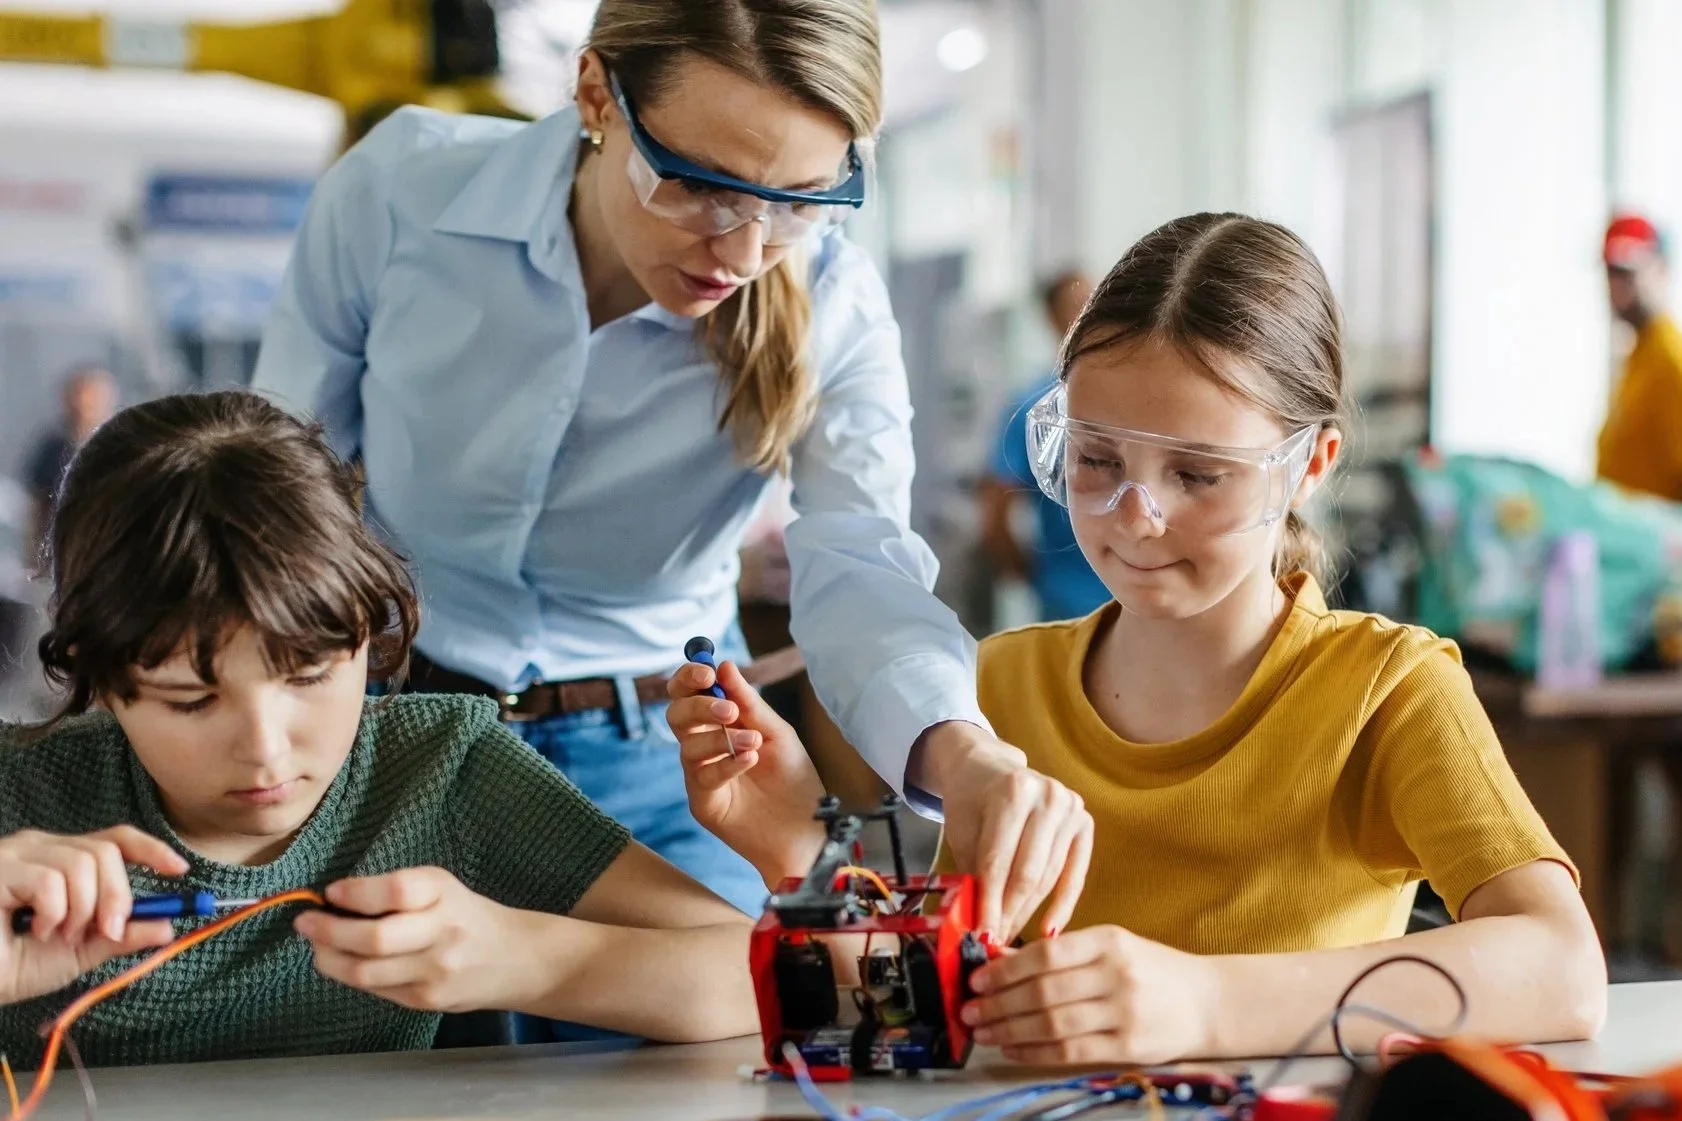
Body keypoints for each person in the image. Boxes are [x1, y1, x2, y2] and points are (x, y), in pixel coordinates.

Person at [251, 0, 1088, 961]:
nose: (741, 253)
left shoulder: (833, 301)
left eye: (800, 201)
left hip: (678, 765)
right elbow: (282, 486)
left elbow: (858, 563)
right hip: (393, 741)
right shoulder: (402, 193)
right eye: (699, 187)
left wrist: (964, 752)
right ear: (596, 94)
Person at [666, 213, 1607, 1065]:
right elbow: (951, 997)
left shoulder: (1385, 688)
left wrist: (1200, 1004)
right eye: (1097, 460)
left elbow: (1562, 969)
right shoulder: (1000, 684)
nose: (1135, 519)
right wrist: (800, 850)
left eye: (1198, 474)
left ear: (1308, 465)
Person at [0, 392, 771, 1069]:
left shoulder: (439, 767)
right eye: (190, 700)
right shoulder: (17, 796)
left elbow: (762, 973)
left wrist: (523, 957)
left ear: (370, 629)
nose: (266, 748)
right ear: (99, 675)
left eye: (307, 676)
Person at [979, 269, 1110, 620]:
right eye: (1077, 304)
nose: (1088, 313)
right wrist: (1027, 575)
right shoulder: (1033, 407)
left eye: (1095, 301)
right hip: (1068, 602)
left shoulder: (1134, 396)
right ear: (1051, 318)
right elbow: (994, 509)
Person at [1596, 213, 1682, 504]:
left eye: (1629, 271)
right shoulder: (1639, 357)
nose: (1619, 284)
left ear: (1662, 270)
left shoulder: (1671, 361)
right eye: (1612, 272)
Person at [24, 364, 116, 567]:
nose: (83, 403)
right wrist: (33, 556)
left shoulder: (122, 445)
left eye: (91, 396)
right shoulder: (52, 446)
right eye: (78, 395)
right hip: (58, 552)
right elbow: (37, 504)